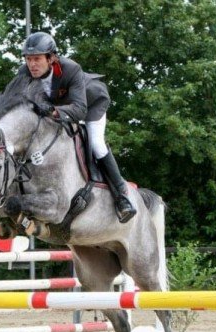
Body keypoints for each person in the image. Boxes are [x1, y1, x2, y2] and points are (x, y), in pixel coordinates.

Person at [15, 31, 136, 223]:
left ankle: (121, 195)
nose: (32, 64)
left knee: (96, 143)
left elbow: (79, 109)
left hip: (91, 103)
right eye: (28, 59)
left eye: (37, 59)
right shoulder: (25, 73)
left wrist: (52, 111)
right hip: (61, 107)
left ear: (51, 57)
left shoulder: (71, 69)